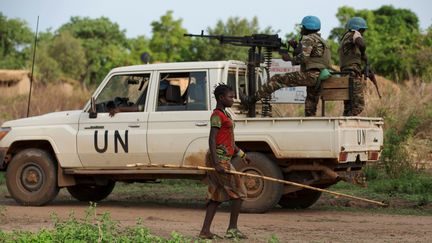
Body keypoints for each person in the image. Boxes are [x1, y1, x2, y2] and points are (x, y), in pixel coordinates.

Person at [242, 15, 332, 116]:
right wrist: (295, 48)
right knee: (310, 104)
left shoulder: (308, 39)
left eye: (302, 27)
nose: (301, 29)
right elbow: (313, 56)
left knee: (277, 79)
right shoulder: (321, 41)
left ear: (307, 28)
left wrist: (289, 59)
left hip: (311, 75)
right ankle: (309, 123)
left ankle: (250, 100)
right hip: (320, 77)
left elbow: (303, 58)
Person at [199, 84, 251, 240]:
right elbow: (212, 139)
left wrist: (242, 154)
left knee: (216, 194)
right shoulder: (217, 115)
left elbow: (228, 140)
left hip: (223, 158)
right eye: (230, 96)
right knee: (239, 192)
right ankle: (232, 229)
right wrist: (216, 163)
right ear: (221, 98)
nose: (233, 99)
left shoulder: (225, 114)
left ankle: (205, 231)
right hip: (219, 160)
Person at [339, 17, 376, 116]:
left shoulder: (344, 37)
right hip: (352, 74)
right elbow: (362, 44)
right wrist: (363, 53)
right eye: (363, 30)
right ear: (359, 29)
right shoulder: (355, 34)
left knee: (348, 106)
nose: (363, 33)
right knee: (358, 105)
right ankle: (349, 121)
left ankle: (345, 124)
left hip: (344, 74)